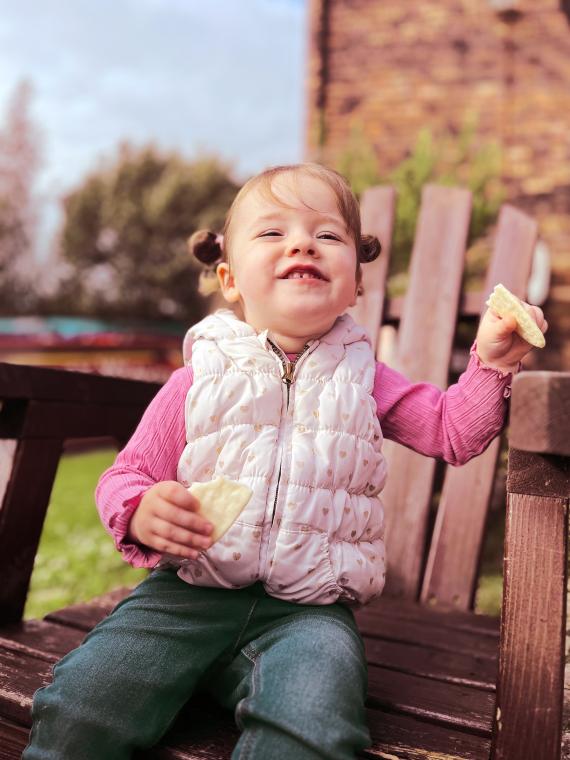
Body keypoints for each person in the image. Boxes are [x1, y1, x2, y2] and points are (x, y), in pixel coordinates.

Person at [24, 163, 547, 760]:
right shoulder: (196, 381)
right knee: (79, 705)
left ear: (356, 286)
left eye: (327, 236)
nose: (302, 243)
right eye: (272, 234)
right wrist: (140, 510)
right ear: (229, 278)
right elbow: (127, 475)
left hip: (308, 616)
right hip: (183, 597)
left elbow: (455, 432)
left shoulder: (366, 381)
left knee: (315, 728)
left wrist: (492, 362)